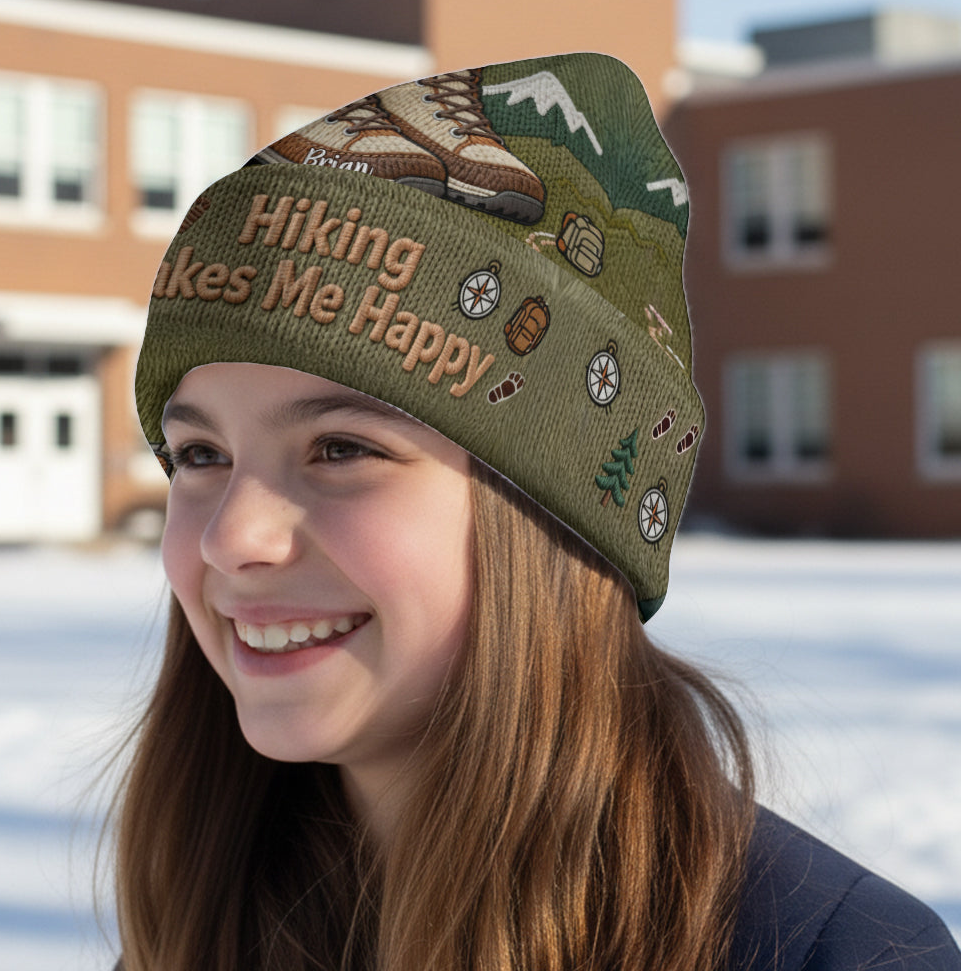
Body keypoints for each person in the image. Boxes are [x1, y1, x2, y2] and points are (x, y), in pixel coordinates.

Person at [119, 53, 960, 971]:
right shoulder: (205, 921)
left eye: (342, 449)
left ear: (554, 515)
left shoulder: (836, 955)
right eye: (200, 455)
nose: (232, 536)